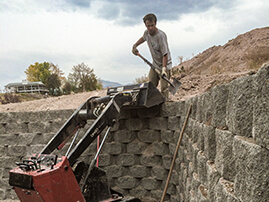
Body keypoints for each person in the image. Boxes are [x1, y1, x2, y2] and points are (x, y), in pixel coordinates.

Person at [132, 13, 172, 99]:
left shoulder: (160, 36)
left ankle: (165, 105)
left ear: (155, 24)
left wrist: (164, 69)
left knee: (164, 88)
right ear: (145, 25)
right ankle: (152, 106)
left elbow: (165, 54)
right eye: (148, 26)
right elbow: (143, 38)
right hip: (155, 65)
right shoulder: (147, 33)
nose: (150, 28)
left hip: (165, 65)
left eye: (152, 25)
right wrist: (135, 45)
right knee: (150, 86)